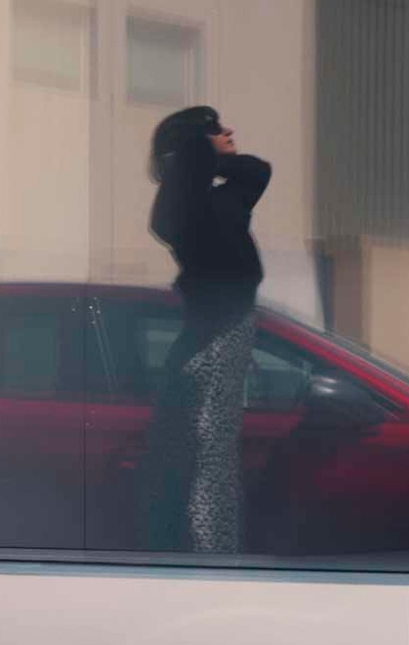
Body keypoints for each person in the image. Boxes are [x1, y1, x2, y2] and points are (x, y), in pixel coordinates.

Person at [143, 106, 272, 554]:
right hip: (210, 348)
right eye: (215, 130)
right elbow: (171, 210)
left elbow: (258, 170)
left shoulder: (224, 204)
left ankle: (209, 550)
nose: (229, 131)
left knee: (214, 459)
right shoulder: (182, 217)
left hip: (225, 343)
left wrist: (207, 153)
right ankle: (208, 555)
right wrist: (196, 153)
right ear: (192, 147)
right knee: (209, 461)